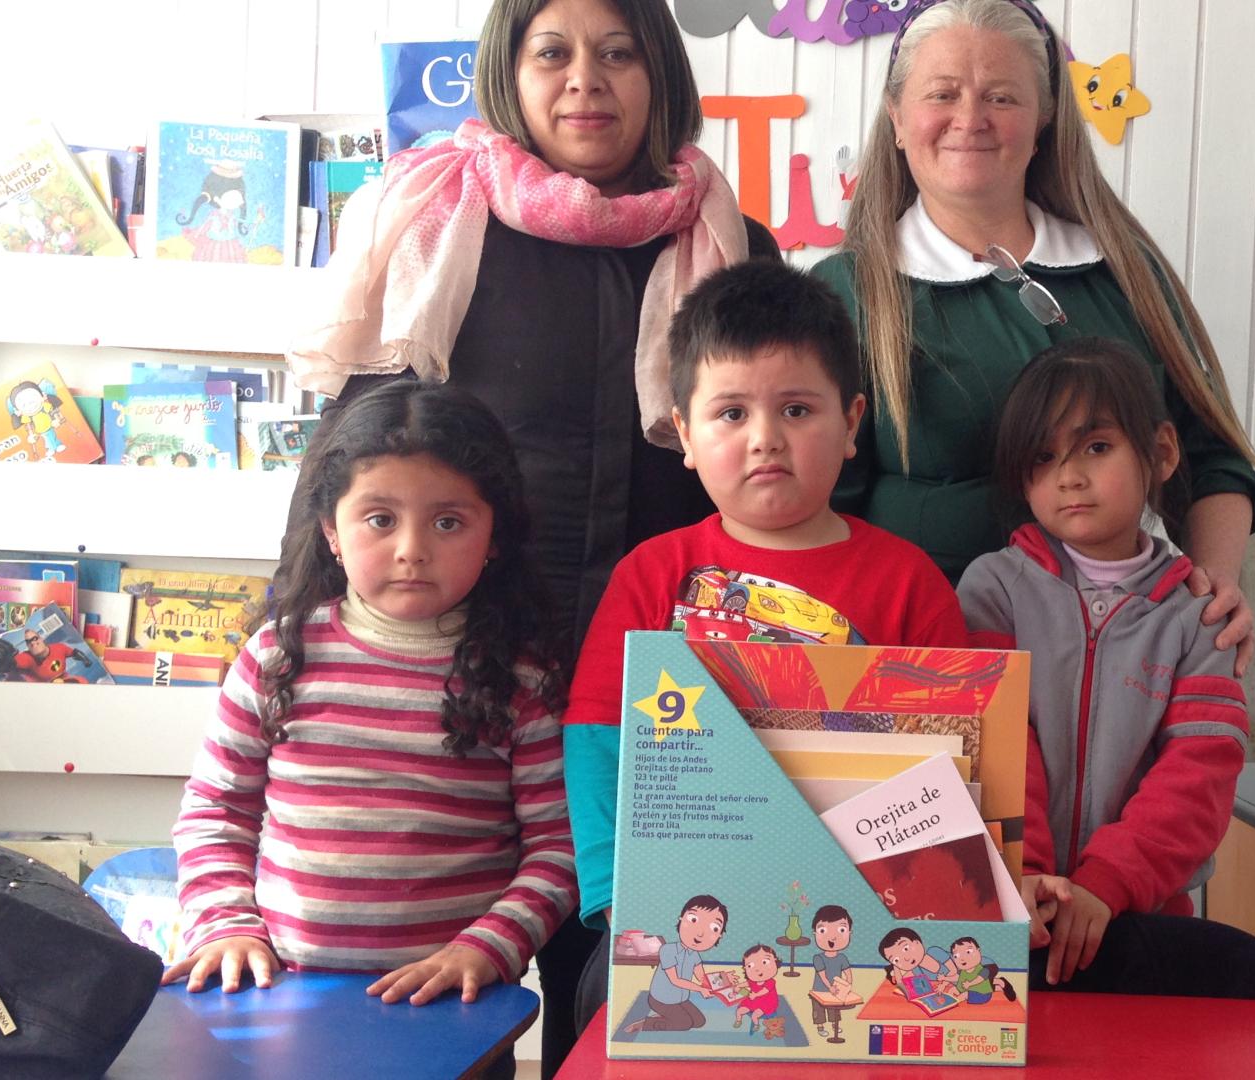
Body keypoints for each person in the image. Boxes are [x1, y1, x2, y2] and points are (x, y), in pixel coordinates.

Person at [285, 0, 778, 1068]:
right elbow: (353, 452)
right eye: (551, 53)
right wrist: (292, 621)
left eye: (617, 54)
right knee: (443, 969)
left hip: (672, 670)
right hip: (464, 663)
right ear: (508, 72)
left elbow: (772, 452)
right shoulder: (433, 215)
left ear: (660, 74)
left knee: (642, 976)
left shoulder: (731, 238)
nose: (584, 81)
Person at [811, 0, 1255, 673]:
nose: (970, 118)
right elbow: (813, 509)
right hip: (915, 665)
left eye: (1001, 96)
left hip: (1112, 663)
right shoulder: (846, 293)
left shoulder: (1122, 272)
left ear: (1043, 122)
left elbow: (1212, 459)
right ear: (897, 120)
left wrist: (1215, 585)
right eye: (942, 94)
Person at [164, 381, 574, 1080]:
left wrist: (488, 948)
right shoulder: (276, 657)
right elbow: (213, 812)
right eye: (379, 519)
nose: (412, 549)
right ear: (331, 528)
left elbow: (557, 851)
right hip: (282, 1000)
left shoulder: (521, 681)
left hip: (453, 1016)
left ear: (494, 535)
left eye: (448, 522)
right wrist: (226, 924)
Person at [562, 260, 970, 936]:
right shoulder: (652, 574)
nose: (765, 438)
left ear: (850, 423)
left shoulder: (909, 581)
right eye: (731, 412)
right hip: (677, 906)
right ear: (685, 435)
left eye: (797, 409)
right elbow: (600, 738)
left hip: (874, 911)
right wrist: (615, 894)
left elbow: (963, 754)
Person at [957, 338, 1255, 1000]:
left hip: (1143, 924)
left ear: (1163, 453)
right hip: (1007, 914)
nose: (1069, 476)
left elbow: (1198, 775)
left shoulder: (1199, 615)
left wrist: (1106, 882)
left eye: (1096, 447)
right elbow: (989, 745)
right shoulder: (991, 590)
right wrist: (1018, 871)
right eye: (1043, 458)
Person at [623, 895, 728, 1034]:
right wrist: (700, 989)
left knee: (699, 1022)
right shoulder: (668, 950)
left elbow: (702, 978)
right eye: (694, 920)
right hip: (661, 999)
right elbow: (675, 980)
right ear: (681, 919)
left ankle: (666, 1016)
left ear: (719, 935)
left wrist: (724, 980)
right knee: (684, 1024)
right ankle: (645, 1024)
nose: (701, 933)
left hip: (680, 999)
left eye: (714, 928)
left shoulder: (695, 955)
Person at [809, 904, 855, 1041]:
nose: (832, 937)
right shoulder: (818, 958)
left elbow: (848, 973)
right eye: (823, 930)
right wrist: (830, 987)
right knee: (819, 1010)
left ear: (849, 933)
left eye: (841, 929)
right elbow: (822, 975)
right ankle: (820, 1027)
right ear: (815, 934)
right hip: (820, 990)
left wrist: (848, 984)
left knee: (834, 1009)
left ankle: (835, 1025)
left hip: (836, 990)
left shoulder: (842, 957)